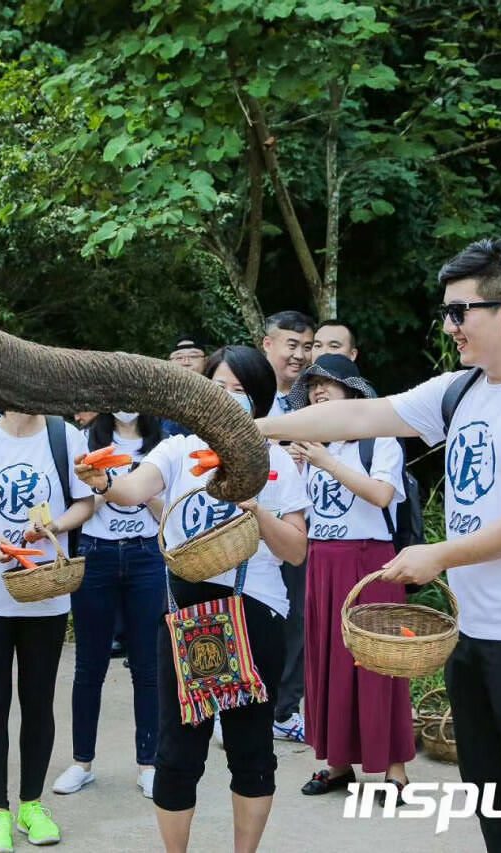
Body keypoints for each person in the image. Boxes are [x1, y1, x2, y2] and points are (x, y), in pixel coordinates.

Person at [258, 238, 501, 852]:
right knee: (496, 803)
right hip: (476, 635)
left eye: (460, 311)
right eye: (445, 312)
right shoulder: (461, 390)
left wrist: (438, 554)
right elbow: (356, 418)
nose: (449, 325)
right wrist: (250, 428)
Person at [75, 345, 309, 853]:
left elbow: (295, 551)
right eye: (218, 388)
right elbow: (134, 491)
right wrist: (104, 481)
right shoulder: (178, 450)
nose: (227, 400)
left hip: (255, 612)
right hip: (187, 612)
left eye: (241, 392)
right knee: (178, 750)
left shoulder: (276, 464)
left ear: (261, 399)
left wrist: (256, 509)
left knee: (251, 749)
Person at [0, 409, 95, 853]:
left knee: (39, 701)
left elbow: (87, 500)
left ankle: (31, 804)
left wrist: (56, 526)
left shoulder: (66, 437)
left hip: (46, 588)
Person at [279, 355, 415, 804]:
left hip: (371, 562)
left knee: (380, 663)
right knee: (326, 660)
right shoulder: (312, 449)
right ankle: (337, 762)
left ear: (353, 394)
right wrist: (302, 463)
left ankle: (394, 770)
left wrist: (325, 460)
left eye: (328, 385)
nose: (318, 391)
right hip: (322, 560)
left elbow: (380, 494)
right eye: (312, 386)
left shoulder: (379, 441)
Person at [52, 411, 166, 800]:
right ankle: (81, 762)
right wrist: (103, 488)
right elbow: (82, 503)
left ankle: (149, 763)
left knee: (148, 666)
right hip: (96, 555)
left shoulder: (163, 446)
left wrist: (137, 490)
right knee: (89, 664)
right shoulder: (86, 442)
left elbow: (172, 513)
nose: (125, 406)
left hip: (147, 556)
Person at [261, 311, 317, 744]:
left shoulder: (317, 400)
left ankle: (284, 710)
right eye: (291, 345)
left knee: (296, 617)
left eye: (307, 346)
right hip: (249, 526)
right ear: (267, 345)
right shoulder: (250, 397)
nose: (299, 355)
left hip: (300, 525)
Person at [160, 334, 208, 438]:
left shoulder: (219, 394)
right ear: (169, 363)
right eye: (179, 357)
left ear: (206, 361)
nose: (186, 363)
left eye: (193, 356)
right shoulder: (157, 397)